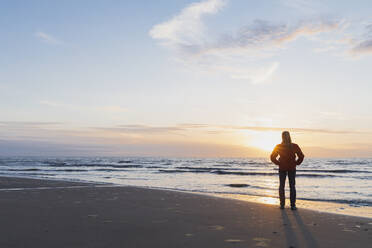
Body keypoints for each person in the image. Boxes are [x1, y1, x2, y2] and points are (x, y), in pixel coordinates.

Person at [270, 131, 304, 210]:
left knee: (283, 186)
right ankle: (292, 205)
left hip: (285, 168)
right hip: (289, 168)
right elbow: (301, 156)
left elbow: (272, 157)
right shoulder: (292, 146)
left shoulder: (283, 146)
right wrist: (296, 163)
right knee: (291, 186)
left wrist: (278, 163)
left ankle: (283, 205)